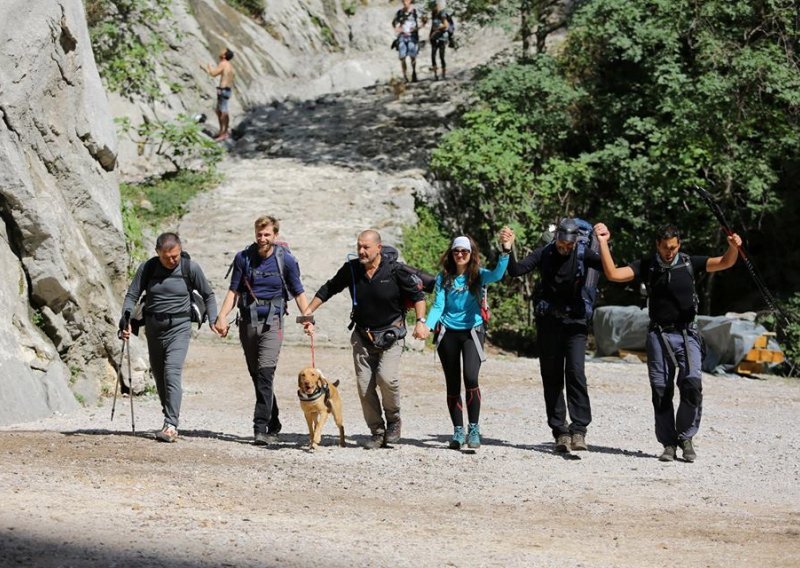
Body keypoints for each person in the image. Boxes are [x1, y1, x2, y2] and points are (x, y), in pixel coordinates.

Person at [594, 222, 741, 462]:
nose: (669, 252)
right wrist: (602, 242)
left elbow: (725, 262)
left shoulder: (689, 263)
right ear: (657, 245)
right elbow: (613, 274)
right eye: (664, 248)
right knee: (661, 391)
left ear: (679, 244)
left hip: (688, 334)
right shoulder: (647, 266)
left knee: (692, 384)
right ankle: (668, 444)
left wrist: (734, 247)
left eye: (672, 247)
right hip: (658, 335)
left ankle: (685, 437)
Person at [304, 229, 427, 449]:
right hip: (363, 337)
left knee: (387, 378)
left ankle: (394, 421)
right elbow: (329, 288)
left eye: (366, 247)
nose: (361, 251)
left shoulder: (395, 271)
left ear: (378, 248)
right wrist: (308, 311)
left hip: (392, 335)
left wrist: (421, 321)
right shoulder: (351, 270)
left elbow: (418, 296)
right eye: (358, 246)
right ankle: (377, 432)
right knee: (364, 387)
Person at [212, 216, 314, 446]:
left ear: (275, 235)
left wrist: (307, 318)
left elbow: (298, 292)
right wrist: (222, 316)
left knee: (266, 373)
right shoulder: (243, 258)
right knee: (257, 376)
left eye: (267, 234)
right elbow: (234, 291)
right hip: (247, 322)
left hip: (273, 323)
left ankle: (260, 428)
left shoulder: (285, 260)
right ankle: (274, 421)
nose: (262, 238)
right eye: (259, 234)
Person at [504, 219, 602, 454]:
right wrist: (508, 249)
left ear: (575, 241)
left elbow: (607, 268)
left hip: (576, 321)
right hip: (549, 322)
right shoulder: (544, 253)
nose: (564, 248)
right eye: (561, 243)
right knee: (552, 376)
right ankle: (560, 431)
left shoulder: (582, 253)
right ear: (556, 237)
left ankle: (579, 430)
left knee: (576, 372)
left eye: (568, 245)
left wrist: (604, 243)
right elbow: (516, 270)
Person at [415, 231, 512, 450]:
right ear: (451, 254)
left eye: (464, 251)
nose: (460, 254)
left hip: (472, 333)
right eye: (457, 251)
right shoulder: (444, 277)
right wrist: (426, 325)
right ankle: (458, 431)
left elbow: (497, 274)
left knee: (470, 377)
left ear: (471, 254)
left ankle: (474, 428)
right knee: (452, 382)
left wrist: (505, 250)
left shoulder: (479, 275)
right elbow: (439, 306)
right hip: (448, 332)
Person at [120, 232, 219, 442]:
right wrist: (126, 319)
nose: (172, 260)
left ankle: (171, 425)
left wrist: (214, 319)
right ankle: (168, 415)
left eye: (175, 256)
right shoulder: (148, 268)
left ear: (180, 250)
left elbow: (208, 294)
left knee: (171, 371)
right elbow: (132, 295)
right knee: (159, 376)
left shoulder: (190, 268)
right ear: (158, 253)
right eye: (167, 257)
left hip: (179, 327)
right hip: (153, 328)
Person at [203, 47, 235, 141]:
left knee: (222, 111)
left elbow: (213, 74)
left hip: (223, 90)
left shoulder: (223, 63)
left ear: (224, 56)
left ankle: (224, 133)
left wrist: (206, 67)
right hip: (227, 90)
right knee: (220, 110)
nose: (220, 51)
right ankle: (223, 131)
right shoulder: (229, 65)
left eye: (223, 51)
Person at [392, 0, 422, 83]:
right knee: (402, 57)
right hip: (402, 36)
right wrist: (397, 28)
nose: (405, 2)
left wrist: (417, 28)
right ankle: (405, 76)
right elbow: (394, 22)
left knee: (413, 56)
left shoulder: (415, 12)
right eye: (403, 1)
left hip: (412, 36)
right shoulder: (400, 12)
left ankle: (414, 73)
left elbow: (423, 20)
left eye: (407, 0)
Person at [428, 2, 450, 80]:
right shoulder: (433, 13)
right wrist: (430, 35)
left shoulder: (442, 13)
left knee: (441, 56)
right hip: (434, 37)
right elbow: (432, 25)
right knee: (433, 56)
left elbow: (446, 25)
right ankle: (435, 75)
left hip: (442, 38)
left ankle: (443, 74)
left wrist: (437, 30)